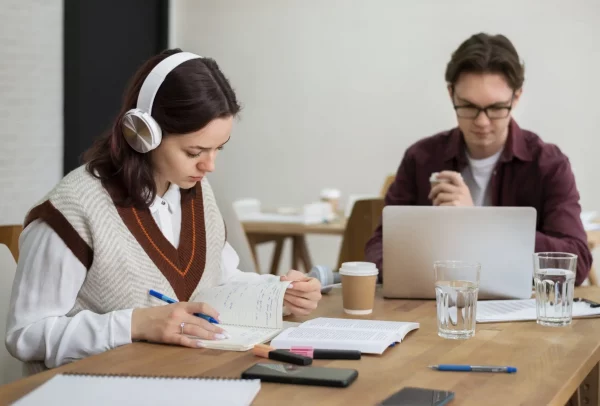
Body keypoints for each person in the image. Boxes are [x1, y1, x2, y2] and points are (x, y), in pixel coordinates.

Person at [5, 49, 322, 372]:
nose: (209, 165)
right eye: (194, 151)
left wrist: (276, 294)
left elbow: (221, 282)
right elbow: (25, 335)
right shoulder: (74, 210)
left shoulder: (194, 191)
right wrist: (135, 324)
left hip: (181, 378)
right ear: (143, 134)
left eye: (217, 149)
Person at [365, 33, 592, 285]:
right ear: (451, 94)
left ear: (516, 98)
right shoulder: (421, 157)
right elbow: (380, 247)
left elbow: (576, 262)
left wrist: (478, 222)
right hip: (437, 304)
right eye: (469, 106)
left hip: (518, 315)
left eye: (496, 108)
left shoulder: (549, 164)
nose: (482, 122)